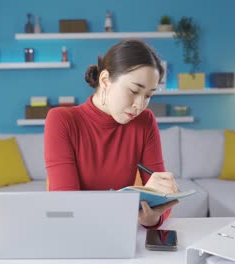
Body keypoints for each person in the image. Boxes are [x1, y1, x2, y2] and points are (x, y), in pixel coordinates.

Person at [44, 39, 179, 229]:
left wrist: (153, 218)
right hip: (75, 233)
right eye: (134, 91)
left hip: (121, 231)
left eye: (148, 95)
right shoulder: (62, 120)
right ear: (105, 80)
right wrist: (127, 204)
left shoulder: (145, 122)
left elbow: (160, 204)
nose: (139, 105)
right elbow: (66, 206)